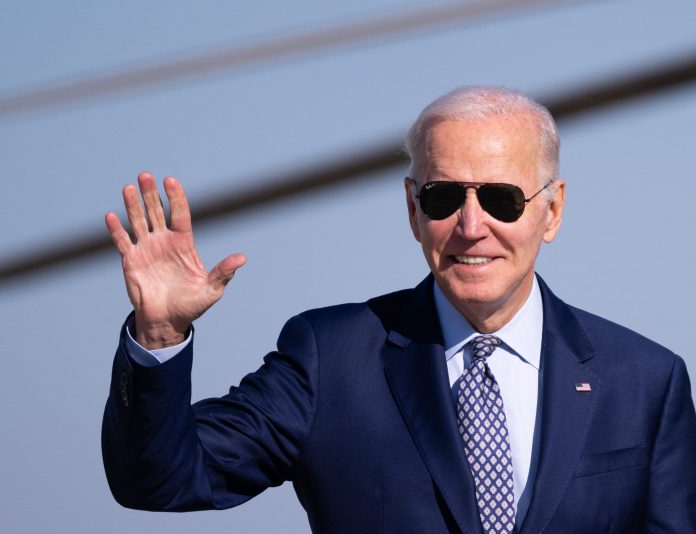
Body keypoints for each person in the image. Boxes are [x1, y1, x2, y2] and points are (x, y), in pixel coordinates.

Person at [101, 86, 696, 533]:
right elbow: (160, 480)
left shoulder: (644, 381)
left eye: (501, 199)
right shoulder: (329, 358)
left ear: (553, 210)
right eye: (443, 197)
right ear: (413, 211)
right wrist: (159, 332)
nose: (471, 226)